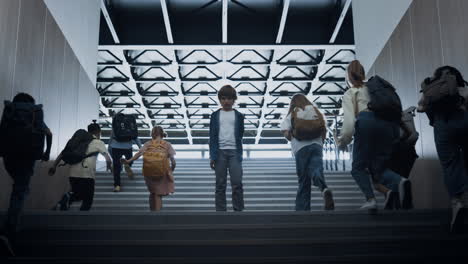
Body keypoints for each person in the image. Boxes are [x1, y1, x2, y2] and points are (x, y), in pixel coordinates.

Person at [335, 60, 411, 210]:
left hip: (367, 123)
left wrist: (343, 142)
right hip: (389, 127)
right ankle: (400, 182)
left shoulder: (351, 92)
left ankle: (371, 200)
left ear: (348, 77)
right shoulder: (374, 89)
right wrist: (406, 131)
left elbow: (349, 122)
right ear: (362, 73)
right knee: (379, 169)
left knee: (357, 168)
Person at [0, 92, 52, 255]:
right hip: (28, 155)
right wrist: (46, 153)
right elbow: (48, 134)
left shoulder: (10, 109)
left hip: (9, 155)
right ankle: (10, 230)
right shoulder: (35, 112)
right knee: (20, 189)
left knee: (19, 185)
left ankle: (12, 221)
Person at [419, 66, 468, 230]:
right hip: (464, 120)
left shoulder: (432, 87)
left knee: (450, 165)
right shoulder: (462, 85)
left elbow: (421, 107)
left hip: (443, 126)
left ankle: (457, 203)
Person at [280, 93, 335, 211]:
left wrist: (294, 135)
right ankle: (324, 188)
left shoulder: (294, 112)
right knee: (316, 169)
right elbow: (323, 130)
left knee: (304, 181)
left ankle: (302, 211)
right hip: (316, 146)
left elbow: (286, 134)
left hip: (301, 148)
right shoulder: (315, 110)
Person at [48, 120, 112, 211]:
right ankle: (81, 217)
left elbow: (63, 153)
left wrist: (54, 166)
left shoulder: (78, 142)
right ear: (98, 132)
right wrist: (109, 167)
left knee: (77, 194)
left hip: (73, 173)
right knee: (88, 199)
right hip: (87, 174)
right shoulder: (98, 142)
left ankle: (66, 200)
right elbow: (108, 158)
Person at [122, 126, 176, 211]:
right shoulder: (167, 144)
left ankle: (152, 211)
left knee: (153, 192)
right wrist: (171, 170)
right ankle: (157, 214)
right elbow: (173, 161)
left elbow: (139, 154)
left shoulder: (148, 143)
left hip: (149, 172)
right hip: (163, 172)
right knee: (158, 194)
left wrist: (128, 161)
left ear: (152, 134)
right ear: (162, 133)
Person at [209, 85, 245, 212]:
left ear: (234, 100)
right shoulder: (214, 115)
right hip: (219, 152)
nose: (226, 101)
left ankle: (238, 211)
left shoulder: (239, 115)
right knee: (220, 184)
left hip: (235, 152)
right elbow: (212, 136)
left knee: (237, 183)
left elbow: (240, 133)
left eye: (229, 98)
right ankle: (220, 212)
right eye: (223, 98)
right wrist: (212, 156)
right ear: (220, 100)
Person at [109, 114, 142, 192]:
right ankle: (127, 165)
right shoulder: (130, 125)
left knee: (116, 167)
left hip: (115, 147)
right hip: (128, 146)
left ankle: (117, 185)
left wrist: (109, 149)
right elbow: (135, 136)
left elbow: (111, 138)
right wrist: (140, 147)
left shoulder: (116, 126)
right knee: (130, 160)